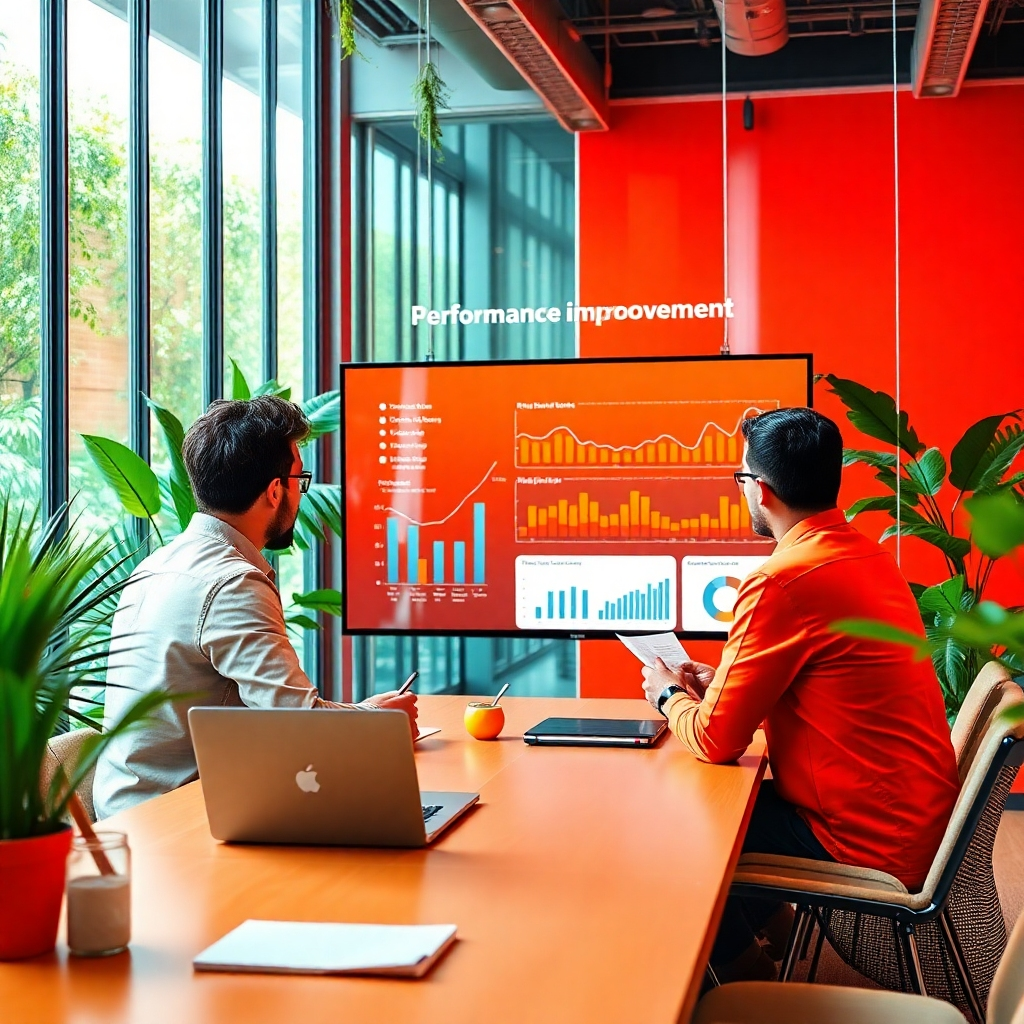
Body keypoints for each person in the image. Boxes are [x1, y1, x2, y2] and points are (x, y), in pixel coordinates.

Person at [640, 407, 959, 982]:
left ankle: (750, 990)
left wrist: (668, 696)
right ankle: (777, 947)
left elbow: (714, 740)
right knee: (717, 814)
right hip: (913, 817)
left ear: (760, 490)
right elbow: (830, 686)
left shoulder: (780, 580)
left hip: (862, 836)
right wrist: (725, 684)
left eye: (740, 479)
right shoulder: (866, 556)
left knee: (677, 829)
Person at [93, 396, 417, 819]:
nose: (301, 493)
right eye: (301, 480)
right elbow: (295, 726)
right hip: (176, 825)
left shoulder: (154, 567)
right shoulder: (232, 582)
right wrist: (375, 718)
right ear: (275, 490)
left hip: (130, 815)